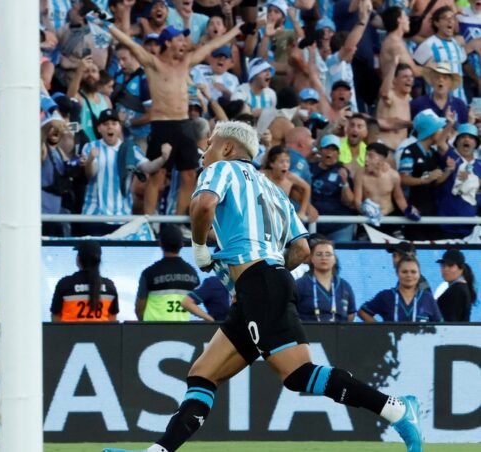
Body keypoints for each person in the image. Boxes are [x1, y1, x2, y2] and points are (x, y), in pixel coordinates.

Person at [104, 121, 423, 452]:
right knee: (203, 374)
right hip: (261, 284)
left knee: (297, 374)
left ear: (227, 148)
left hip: (260, 283)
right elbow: (301, 249)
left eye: (210, 144)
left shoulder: (221, 169)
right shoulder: (273, 188)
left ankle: (397, 409)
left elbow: (202, 206)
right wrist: (268, 274)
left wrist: (200, 248)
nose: (204, 152)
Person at [100, 11, 243, 216]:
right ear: (167, 43)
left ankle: (176, 221)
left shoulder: (185, 63)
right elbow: (131, 44)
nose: (184, 42)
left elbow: (210, 46)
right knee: (157, 175)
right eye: (179, 39)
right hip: (162, 124)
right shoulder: (153, 63)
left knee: (189, 176)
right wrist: (109, 26)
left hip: (184, 124)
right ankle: (149, 222)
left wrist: (237, 30)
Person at [80, 109, 168, 235]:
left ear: (119, 127)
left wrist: (163, 158)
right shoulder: (90, 147)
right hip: (94, 215)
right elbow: (90, 174)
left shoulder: (130, 148)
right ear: (99, 128)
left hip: (122, 217)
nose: (110, 127)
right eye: (105, 124)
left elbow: (148, 167)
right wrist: (90, 159)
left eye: (114, 123)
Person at [399, 112, 453, 240]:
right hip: (415, 208)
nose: (441, 132)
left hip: (433, 209)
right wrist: (425, 179)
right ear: (431, 131)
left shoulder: (433, 153)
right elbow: (403, 178)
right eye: (439, 129)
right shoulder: (410, 151)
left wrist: (448, 171)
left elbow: (436, 181)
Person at [135, 225, 203, 321]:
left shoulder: (149, 273)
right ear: (182, 244)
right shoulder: (192, 273)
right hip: (183, 332)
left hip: (152, 332)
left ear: (160, 244)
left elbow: (139, 309)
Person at [354, 143, 421, 229]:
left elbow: (399, 198)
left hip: (389, 218)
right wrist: (365, 210)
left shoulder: (393, 176)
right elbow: (357, 200)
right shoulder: (360, 175)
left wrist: (407, 211)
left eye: (370, 156)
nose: (366, 159)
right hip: (368, 219)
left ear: (382, 160)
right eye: (365, 155)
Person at [359, 255, 443, 323]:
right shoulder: (386, 296)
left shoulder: (427, 298)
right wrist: (381, 331)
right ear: (397, 273)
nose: (409, 275)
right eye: (404, 272)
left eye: (413, 272)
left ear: (419, 274)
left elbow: (440, 326)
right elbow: (363, 312)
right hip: (392, 343)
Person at [51, 240, 119, 322]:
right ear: (99, 261)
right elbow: (112, 319)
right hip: (101, 334)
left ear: (78, 259)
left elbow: (56, 317)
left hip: (69, 334)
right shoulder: (109, 287)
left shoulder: (64, 284)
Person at [436, 124, 481, 238]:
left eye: (471, 137)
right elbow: (440, 143)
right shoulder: (451, 156)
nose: (466, 139)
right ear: (456, 142)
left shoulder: (479, 165)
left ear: (476, 143)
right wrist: (449, 124)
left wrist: (471, 181)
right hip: (446, 223)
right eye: (462, 137)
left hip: (470, 225)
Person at [295, 240, 356, 322]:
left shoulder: (345, 286)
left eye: (328, 254)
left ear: (334, 259)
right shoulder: (300, 285)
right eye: (319, 254)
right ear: (312, 259)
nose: (324, 257)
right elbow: (291, 313)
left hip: (340, 333)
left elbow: (351, 314)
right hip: (309, 333)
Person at [310, 135, 355, 242]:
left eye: (334, 149)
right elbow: (298, 192)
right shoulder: (309, 168)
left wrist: (345, 183)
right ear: (320, 151)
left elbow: (349, 202)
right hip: (313, 223)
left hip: (338, 226)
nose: (330, 152)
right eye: (327, 148)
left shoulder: (343, 171)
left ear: (339, 153)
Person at [261, 146, 312, 221]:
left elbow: (307, 187)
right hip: (265, 216)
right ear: (272, 164)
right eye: (281, 162)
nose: (285, 165)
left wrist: (302, 211)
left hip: (283, 217)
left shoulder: (290, 177)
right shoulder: (262, 176)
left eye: (287, 161)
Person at [435, 249, 476, 322]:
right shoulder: (460, 288)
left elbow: (452, 322)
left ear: (461, 269)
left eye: (450, 265)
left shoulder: (457, 290)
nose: (445, 269)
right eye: (443, 265)